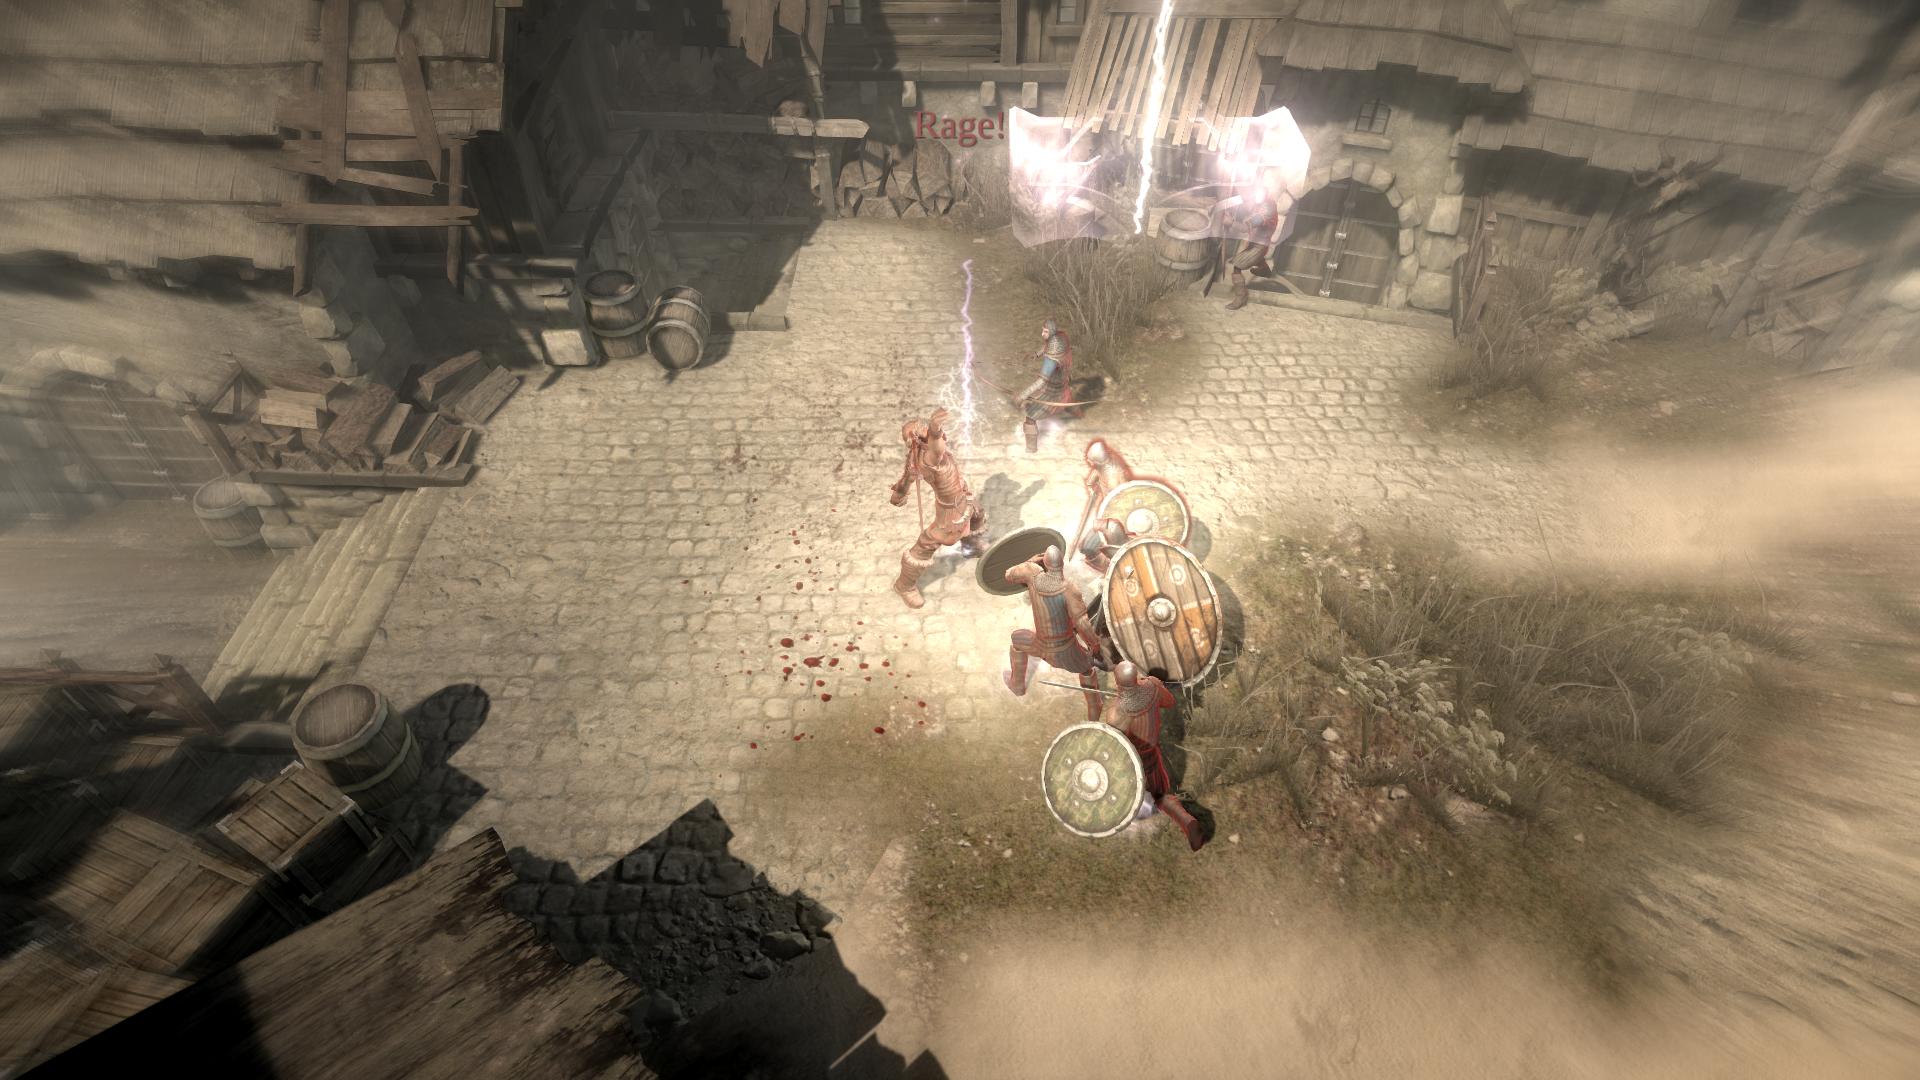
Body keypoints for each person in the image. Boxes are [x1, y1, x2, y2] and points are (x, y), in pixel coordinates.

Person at [887, 407, 986, 609]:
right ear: (917, 439)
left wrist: (899, 494)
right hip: (951, 509)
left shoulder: (916, 458)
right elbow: (937, 448)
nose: (922, 428)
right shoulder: (930, 458)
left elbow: (906, 479)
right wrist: (934, 429)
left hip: (963, 498)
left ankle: (970, 545)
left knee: (977, 514)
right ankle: (904, 586)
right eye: (920, 429)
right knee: (927, 544)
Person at [1103, 662, 1207, 851]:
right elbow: (1169, 702)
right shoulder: (1152, 687)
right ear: (1135, 676)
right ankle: (1185, 820)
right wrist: (1155, 685)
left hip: (1134, 763)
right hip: (1152, 753)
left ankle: (1184, 820)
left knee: (1149, 795)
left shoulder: (1115, 714)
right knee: (1158, 793)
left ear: (1118, 682)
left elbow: (1115, 747)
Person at [1004, 545, 1104, 724]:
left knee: (1017, 640)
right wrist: (1094, 645)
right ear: (1061, 565)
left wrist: (1029, 562)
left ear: (1045, 563)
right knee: (1087, 669)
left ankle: (1017, 684)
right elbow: (1082, 624)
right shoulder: (1069, 589)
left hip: (1040, 645)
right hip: (1066, 652)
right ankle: (1094, 707)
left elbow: (1009, 574)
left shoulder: (1032, 574)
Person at [1209, 195, 1289, 311]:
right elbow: (1248, 205)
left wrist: (1231, 222)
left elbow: (1245, 228)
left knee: (1237, 267)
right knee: (1255, 259)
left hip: (1259, 247)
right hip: (1255, 242)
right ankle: (1265, 270)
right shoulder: (1263, 205)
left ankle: (1241, 297)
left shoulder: (1265, 214)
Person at [1014, 318, 1074, 452]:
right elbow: (1047, 346)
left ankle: (1031, 449)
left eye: (1045, 331)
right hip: (1060, 382)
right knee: (1032, 403)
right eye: (1043, 330)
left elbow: (1041, 381)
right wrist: (1037, 354)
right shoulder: (1059, 338)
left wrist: (1022, 396)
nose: (1042, 334)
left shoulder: (1052, 357)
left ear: (1051, 331)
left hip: (1054, 391)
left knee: (1030, 416)